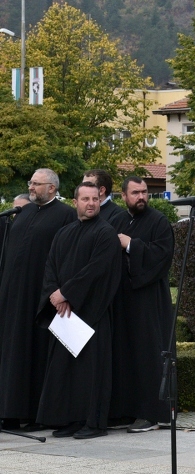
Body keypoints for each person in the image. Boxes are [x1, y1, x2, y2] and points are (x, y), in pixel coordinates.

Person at [35, 182, 121, 439]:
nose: (91, 203)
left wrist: (67, 294)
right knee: (66, 371)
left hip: (93, 313)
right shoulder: (64, 233)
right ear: (75, 202)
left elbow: (97, 270)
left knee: (92, 372)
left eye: (95, 199)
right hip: (66, 315)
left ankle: (94, 423)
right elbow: (50, 266)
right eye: (85, 199)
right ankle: (71, 419)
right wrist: (55, 294)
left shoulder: (105, 233)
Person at [0, 170, 77, 430]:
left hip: (41, 297)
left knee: (35, 353)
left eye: (36, 183)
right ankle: (9, 411)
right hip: (13, 297)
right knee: (12, 352)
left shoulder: (65, 215)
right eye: (30, 183)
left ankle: (35, 415)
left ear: (52, 188)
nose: (31, 187)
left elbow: (66, 257)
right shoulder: (24, 212)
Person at [109, 176, 175, 433]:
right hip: (122, 299)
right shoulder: (117, 220)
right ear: (124, 196)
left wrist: (131, 246)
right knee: (124, 353)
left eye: (144, 192)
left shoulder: (158, 221)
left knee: (148, 353)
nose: (141, 197)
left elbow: (162, 256)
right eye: (135, 192)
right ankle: (125, 410)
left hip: (149, 300)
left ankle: (151, 414)